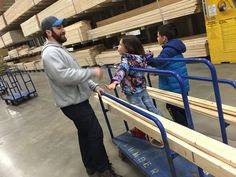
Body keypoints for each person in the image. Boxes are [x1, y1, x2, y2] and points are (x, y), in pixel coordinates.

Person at [41, 16, 122, 177]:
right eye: (59, 28)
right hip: (73, 104)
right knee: (95, 134)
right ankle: (104, 170)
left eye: (63, 26)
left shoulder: (59, 49)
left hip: (76, 101)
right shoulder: (50, 54)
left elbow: (76, 71)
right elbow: (65, 76)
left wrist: (94, 86)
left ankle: (90, 166)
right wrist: (93, 72)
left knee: (85, 133)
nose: (63, 30)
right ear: (48, 32)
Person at [106, 35, 163, 148]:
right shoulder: (140, 57)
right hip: (142, 88)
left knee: (142, 114)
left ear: (128, 47)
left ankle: (156, 136)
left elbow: (122, 70)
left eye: (120, 44)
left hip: (132, 92)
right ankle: (163, 126)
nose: (118, 46)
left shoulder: (126, 59)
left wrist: (115, 81)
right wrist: (150, 53)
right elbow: (148, 54)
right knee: (151, 108)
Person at [147, 23, 190, 127]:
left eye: (158, 36)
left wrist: (147, 59)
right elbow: (169, 63)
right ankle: (187, 127)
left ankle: (184, 130)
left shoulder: (168, 49)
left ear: (164, 38)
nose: (157, 38)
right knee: (182, 109)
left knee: (173, 108)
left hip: (174, 87)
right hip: (181, 84)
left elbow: (159, 62)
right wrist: (158, 71)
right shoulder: (174, 47)